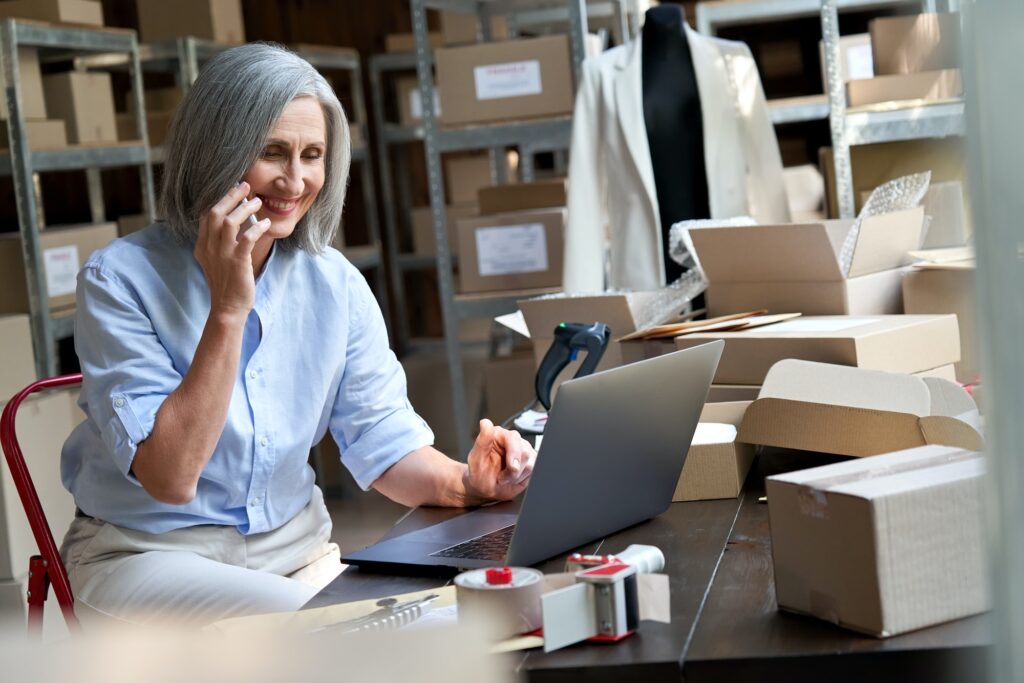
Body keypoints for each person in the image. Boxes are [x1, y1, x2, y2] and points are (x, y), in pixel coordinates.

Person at [58, 43, 536, 626]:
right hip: (150, 557)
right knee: (370, 638)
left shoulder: (333, 283)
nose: (296, 179)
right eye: (273, 152)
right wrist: (230, 310)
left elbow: (384, 444)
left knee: (458, 621)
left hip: (296, 557)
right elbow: (171, 476)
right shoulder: (120, 280)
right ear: (217, 152)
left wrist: (474, 483)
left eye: (313, 155)